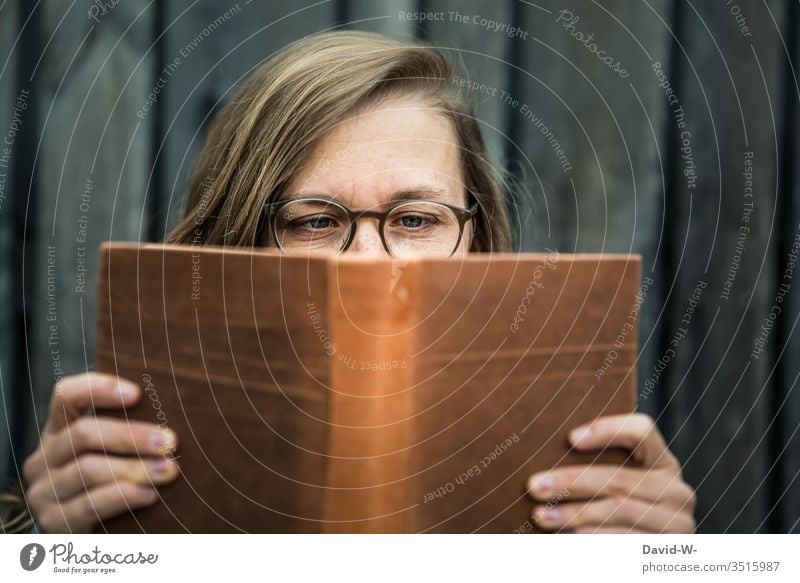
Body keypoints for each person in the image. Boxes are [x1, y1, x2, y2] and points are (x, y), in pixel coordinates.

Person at [9, 30, 695, 534]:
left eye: (416, 218)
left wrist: (662, 568)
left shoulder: (584, 489)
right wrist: (55, 555)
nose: (366, 261)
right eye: (312, 221)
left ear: (478, 244)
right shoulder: (116, 483)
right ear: (234, 245)